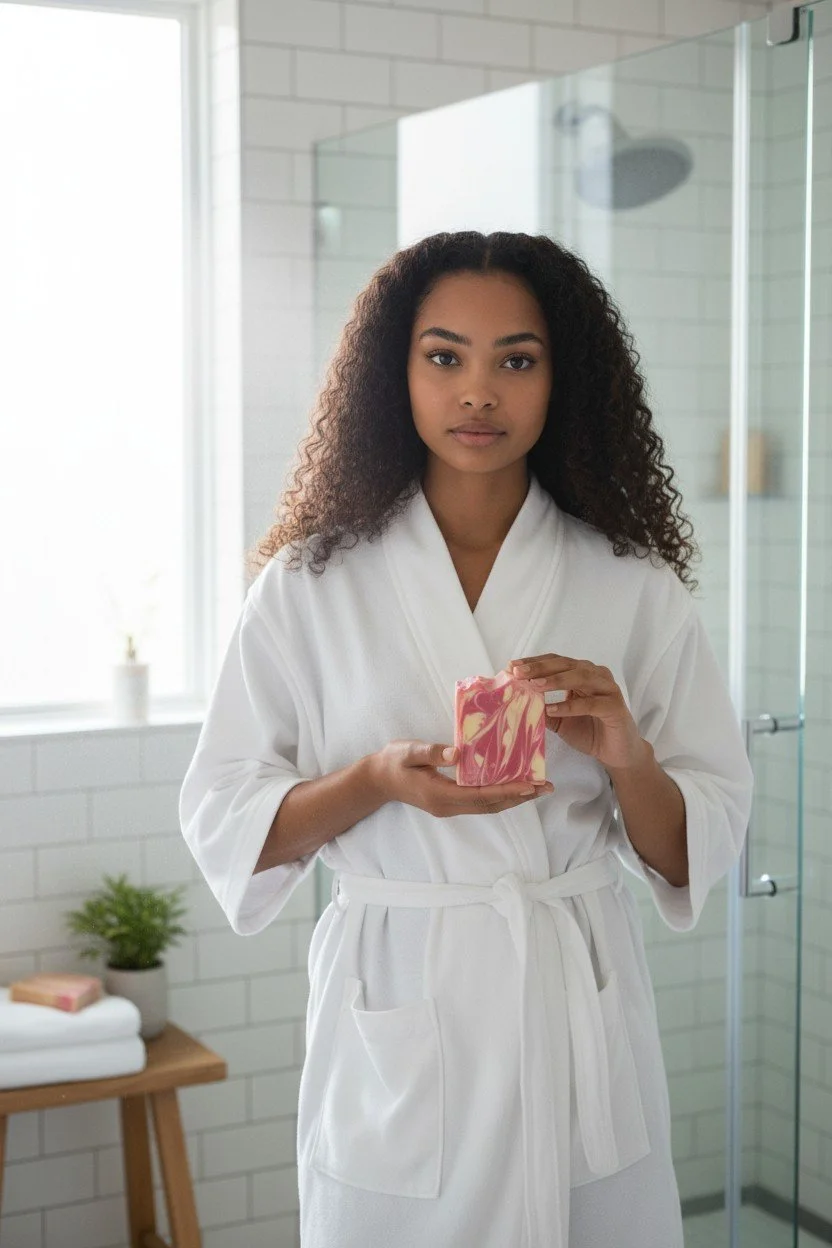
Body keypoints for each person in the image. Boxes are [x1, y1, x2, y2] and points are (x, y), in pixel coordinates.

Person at [179, 230, 754, 1248]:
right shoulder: (310, 585)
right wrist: (374, 782)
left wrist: (627, 752)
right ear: (391, 374)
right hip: (401, 999)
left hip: (569, 997)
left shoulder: (629, 582)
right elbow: (225, 816)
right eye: (444, 356)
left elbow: (688, 848)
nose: (478, 392)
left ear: (559, 378)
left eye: (515, 360)